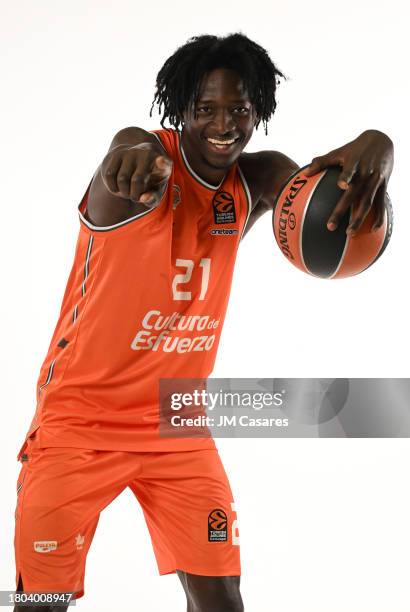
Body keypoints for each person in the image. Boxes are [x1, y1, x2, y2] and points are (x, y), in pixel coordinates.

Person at [13, 33, 394, 612]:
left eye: (239, 109)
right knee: (43, 601)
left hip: (177, 421)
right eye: (205, 109)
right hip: (80, 420)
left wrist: (380, 144)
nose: (224, 124)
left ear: (258, 111)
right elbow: (128, 147)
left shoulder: (254, 178)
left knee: (221, 597)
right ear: (180, 110)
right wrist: (133, 147)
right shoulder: (140, 169)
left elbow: (313, 188)